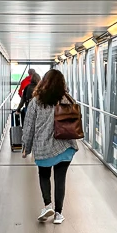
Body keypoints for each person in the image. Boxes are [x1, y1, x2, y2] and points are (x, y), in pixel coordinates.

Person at [21, 70, 78, 224]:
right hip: (64, 145)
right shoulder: (66, 99)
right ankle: (59, 214)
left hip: (43, 146)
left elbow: (29, 126)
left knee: (44, 175)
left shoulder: (36, 101)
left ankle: (48, 205)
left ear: (44, 82)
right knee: (60, 179)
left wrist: (26, 146)